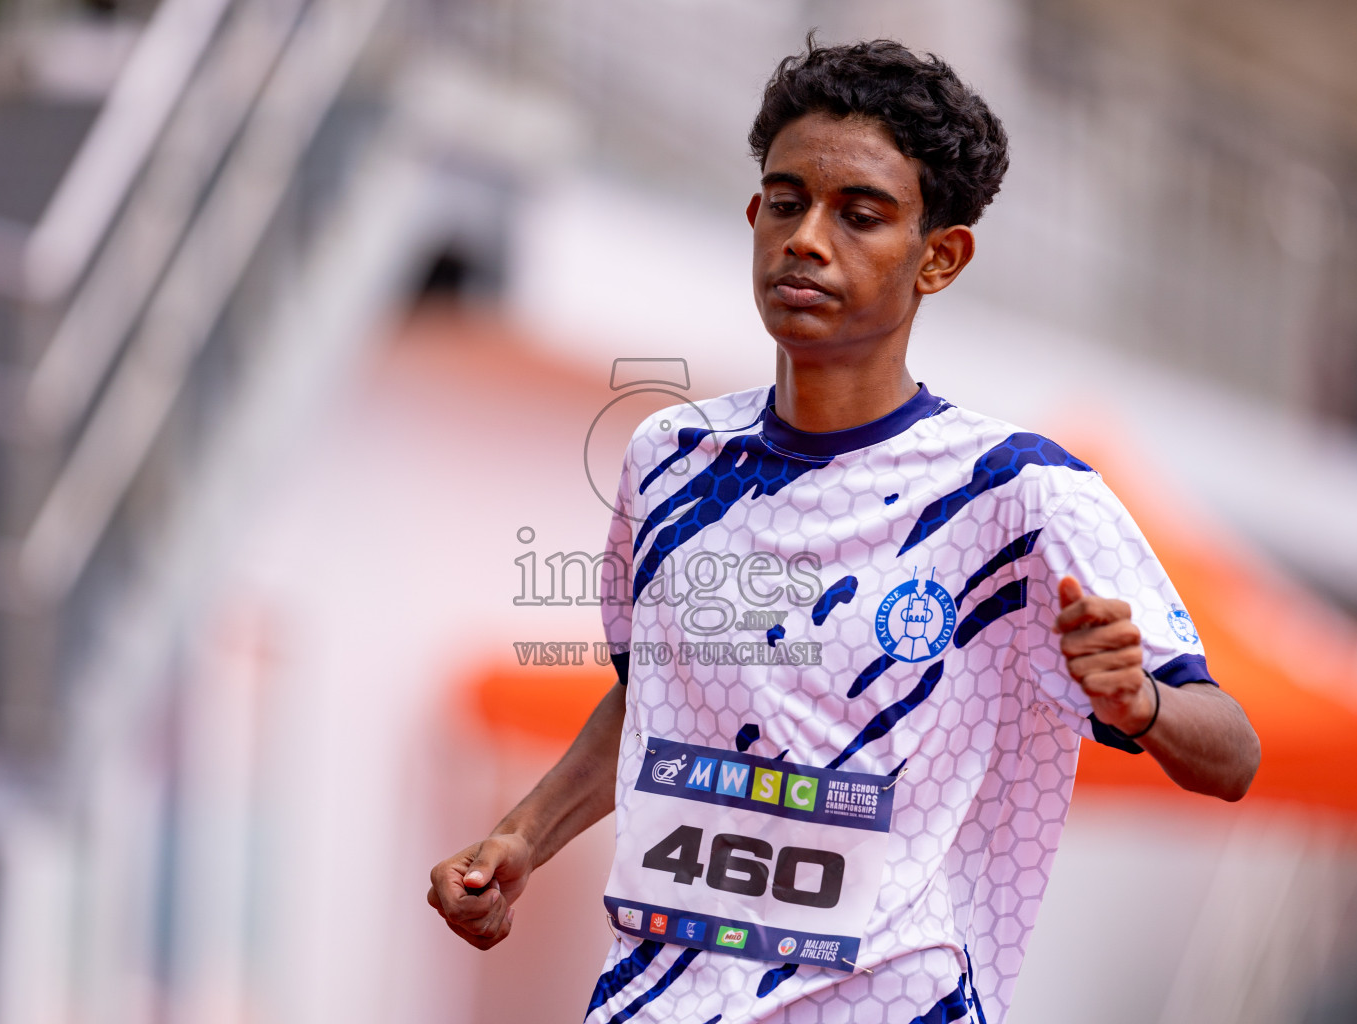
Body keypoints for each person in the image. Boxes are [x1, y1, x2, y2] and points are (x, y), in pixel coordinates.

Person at [428, 38, 1261, 1023]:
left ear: (939, 257)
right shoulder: (670, 458)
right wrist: (524, 834)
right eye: (786, 202)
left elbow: (1235, 753)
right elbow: (652, 694)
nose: (807, 239)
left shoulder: (1019, 496)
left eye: (859, 215)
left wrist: (1141, 706)